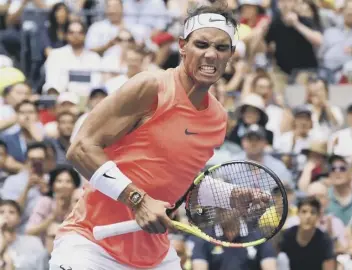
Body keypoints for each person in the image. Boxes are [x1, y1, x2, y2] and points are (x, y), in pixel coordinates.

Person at [49, 5, 269, 270]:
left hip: (155, 257)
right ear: (182, 46)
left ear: (231, 54)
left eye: (222, 48)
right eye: (201, 44)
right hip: (90, 247)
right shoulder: (150, 87)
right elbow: (80, 149)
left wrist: (230, 196)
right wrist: (137, 199)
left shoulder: (218, 120)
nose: (211, 54)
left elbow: (179, 183)